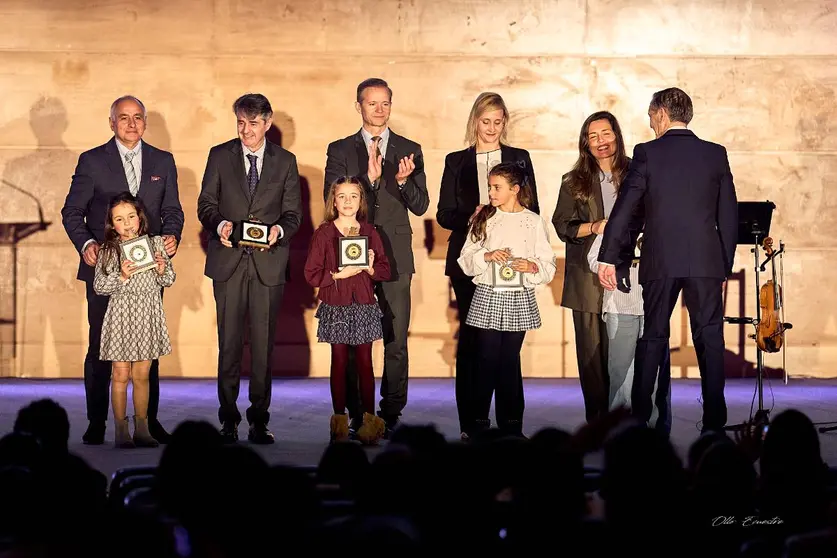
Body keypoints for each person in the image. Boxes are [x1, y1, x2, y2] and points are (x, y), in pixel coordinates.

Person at [597, 87, 738, 433]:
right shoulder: (715, 154)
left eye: (650, 118)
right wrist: (723, 264)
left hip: (661, 260)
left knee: (654, 337)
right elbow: (729, 215)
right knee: (711, 338)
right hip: (706, 263)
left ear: (661, 113)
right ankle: (714, 424)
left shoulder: (648, 153)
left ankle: (639, 420)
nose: (650, 126)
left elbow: (625, 210)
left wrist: (608, 257)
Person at [61, 95, 183, 445]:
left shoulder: (163, 160)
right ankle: (99, 420)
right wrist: (88, 245)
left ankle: (148, 421)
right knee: (102, 347)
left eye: (138, 117)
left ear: (145, 122)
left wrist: (172, 237)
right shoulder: (92, 161)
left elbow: (172, 209)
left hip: (148, 272)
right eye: (124, 118)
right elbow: (72, 211)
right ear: (111, 122)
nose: (132, 124)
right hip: (108, 270)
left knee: (147, 349)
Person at [324, 78, 429, 436]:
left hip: (395, 255)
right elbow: (333, 199)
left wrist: (400, 182)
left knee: (396, 336)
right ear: (359, 106)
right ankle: (358, 411)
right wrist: (369, 182)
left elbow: (420, 204)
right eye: (372, 103)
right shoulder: (340, 149)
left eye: (385, 103)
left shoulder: (408, 148)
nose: (379, 110)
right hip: (353, 255)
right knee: (355, 337)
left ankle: (391, 410)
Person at [197, 93, 303, 444]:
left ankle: (259, 420)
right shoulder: (219, 155)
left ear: (268, 123)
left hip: (267, 266)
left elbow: (294, 215)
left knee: (262, 346)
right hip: (228, 263)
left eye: (253, 124)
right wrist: (220, 225)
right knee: (228, 345)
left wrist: (279, 231)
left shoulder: (285, 161)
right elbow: (206, 205)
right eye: (240, 123)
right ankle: (228, 420)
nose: (246, 131)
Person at [436, 92, 540, 441]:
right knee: (474, 344)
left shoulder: (519, 159)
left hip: (511, 269)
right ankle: (473, 424)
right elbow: (445, 213)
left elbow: (532, 209)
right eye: (486, 121)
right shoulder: (456, 161)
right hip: (472, 263)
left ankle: (511, 424)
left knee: (507, 350)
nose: (492, 128)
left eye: (498, 121)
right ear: (474, 122)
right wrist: (478, 215)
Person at [457, 162, 556, 437]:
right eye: (490, 187)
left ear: (515, 189)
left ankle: (512, 424)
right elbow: (466, 258)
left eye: (497, 187)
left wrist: (532, 266)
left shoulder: (533, 221)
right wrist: (486, 256)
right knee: (486, 358)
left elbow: (547, 262)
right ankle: (477, 423)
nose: (491, 192)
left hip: (518, 296)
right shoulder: (485, 218)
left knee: (510, 360)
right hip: (489, 294)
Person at [551, 111, 628, 423]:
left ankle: (626, 422)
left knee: (623, 355)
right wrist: (595, 226)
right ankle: (598, 423)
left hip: (629, 277)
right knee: (592, 358)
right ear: (585, 142)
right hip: (587, 280)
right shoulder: (573, 181)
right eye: (593, 136)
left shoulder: (637, 172)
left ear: (617, 135)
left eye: (606, 133)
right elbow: (561, 225)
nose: (601, 142)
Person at [304, 176, 392, 445]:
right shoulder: (324, 233)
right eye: (342, 196)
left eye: (353, 196)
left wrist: (370, 268)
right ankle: (339, 423)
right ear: (333, 200)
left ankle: (368, 423)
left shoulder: (370, 232)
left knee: (365, 363)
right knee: (339, 362)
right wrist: (337, 276)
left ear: (361, 201)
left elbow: (385, 270)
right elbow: (311, 274)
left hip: (364, 303)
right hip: (336, 304)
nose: (348, 202)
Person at [93, 193, 175, 447]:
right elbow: (99, 286)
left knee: (142, 374)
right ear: (112, 223)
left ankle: (142, 427)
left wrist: (162, 269)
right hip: (121, 314)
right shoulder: (108, 249)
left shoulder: (156, 244)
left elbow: (169, 279)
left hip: (148, 312)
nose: (127, 223)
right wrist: (123, 275)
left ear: (140, 217)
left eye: (131, 217)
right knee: (120, 374)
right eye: (119, 219)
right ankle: (121, 429)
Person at [587, 232, 672, 434]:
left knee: (655, 371)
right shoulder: (613, 225)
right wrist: (610, 263)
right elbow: (593, 260)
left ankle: (653, 427)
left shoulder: (661, 222)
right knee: (621, 371)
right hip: (620, 305)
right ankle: (619, 427)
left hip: (654, 307)